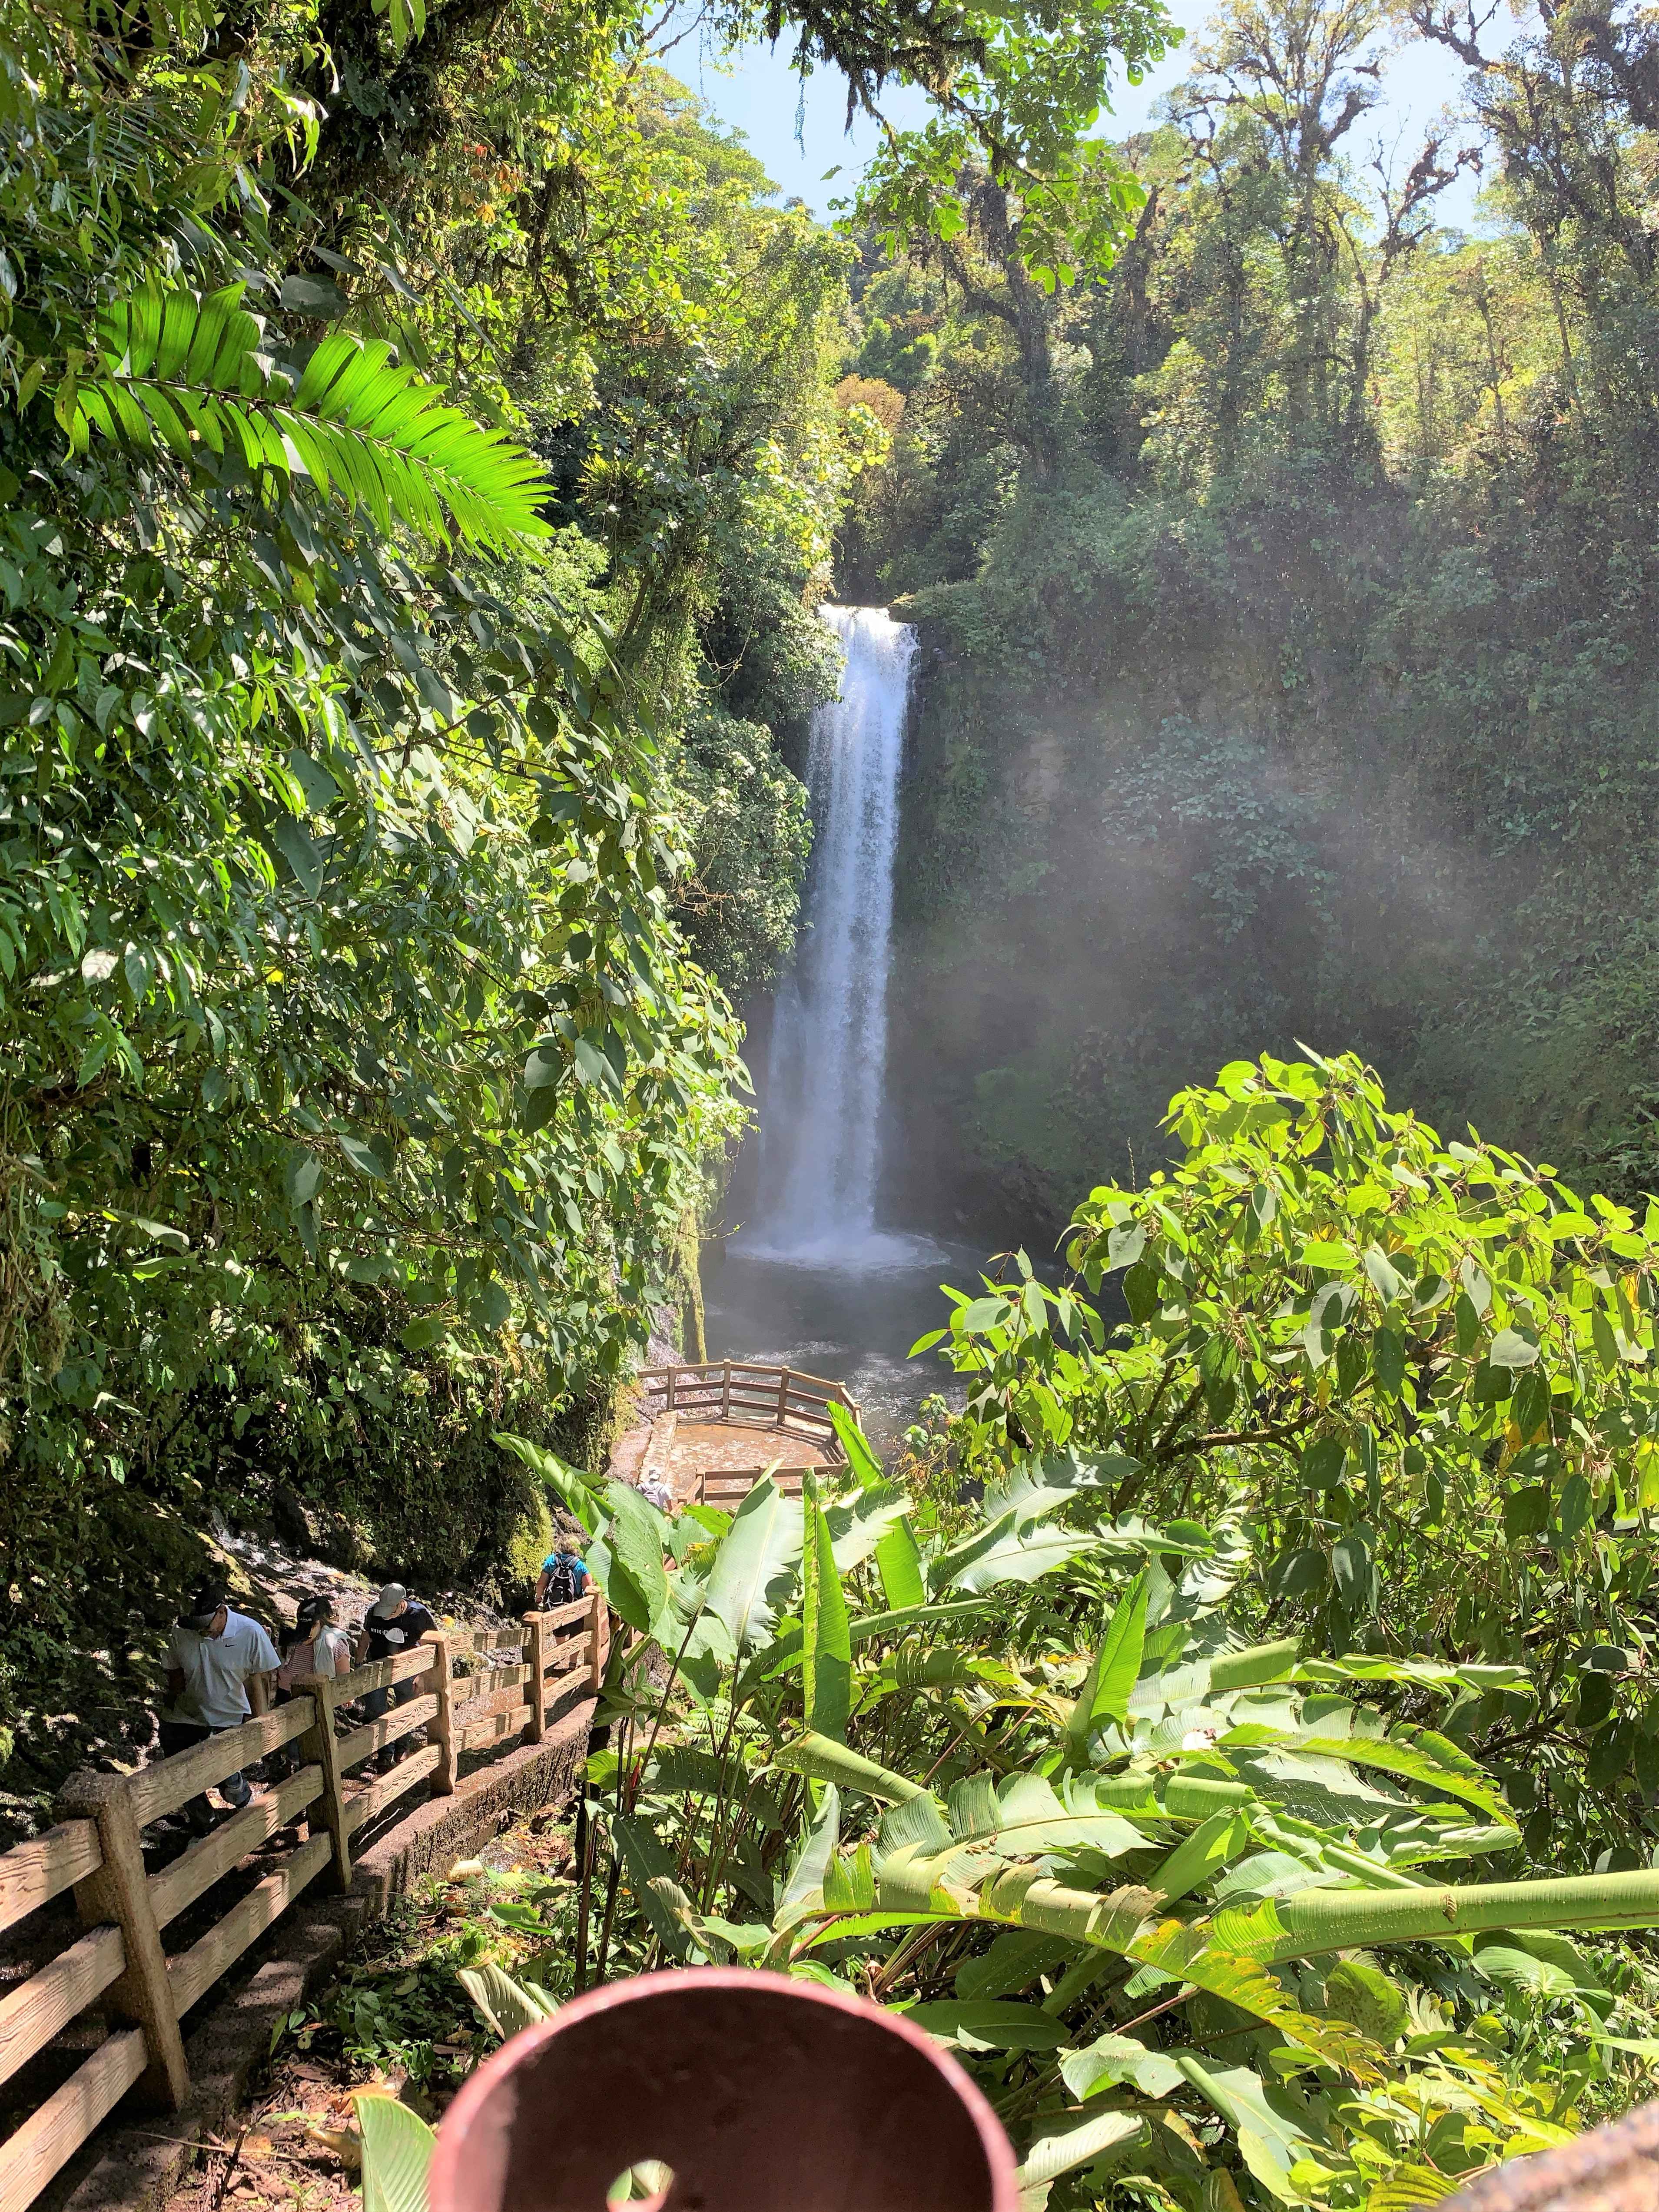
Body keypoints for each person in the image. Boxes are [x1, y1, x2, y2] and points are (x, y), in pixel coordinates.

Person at [160, 1580, 280, 1833]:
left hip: (227, 1717)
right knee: (180, 1776)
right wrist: (169, 1709)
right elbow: (175, 1672)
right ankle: (206, 1825)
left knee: (227, 1780)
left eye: (206, 1626)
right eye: (197, 1627)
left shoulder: (250, 1632)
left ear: (222, 1612)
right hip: (184, 1716)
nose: (202, 1632)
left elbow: (261, 1679)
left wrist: (262, 1721)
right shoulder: (182, 1632)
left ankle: (244, 1804)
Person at [534, 1542, 589, 1609]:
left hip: (551, 1606)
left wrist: (539, 1598)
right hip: (574, 1609)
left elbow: (541, 1584)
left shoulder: (551, 1560)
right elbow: (589, 1589)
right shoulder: (581, 1564)